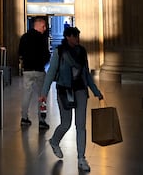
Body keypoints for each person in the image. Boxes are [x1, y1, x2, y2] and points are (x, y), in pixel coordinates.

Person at [39, 26, 103, 173]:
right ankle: (54, 141)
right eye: (74, 36)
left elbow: (86, 74)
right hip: (64, 90)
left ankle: (81, 158)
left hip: (80, 90)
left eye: (78, 36)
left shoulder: (82, 51)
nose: (77, 39)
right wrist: (44, 92)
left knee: (80, 125)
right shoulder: (59, 52)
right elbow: (51, 73)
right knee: (66, 123)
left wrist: (95, 91)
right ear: (68, 37)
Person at [18, 16, 51, 129]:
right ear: (38, 25)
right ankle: (41, 120)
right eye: (43, 26)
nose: (45, 28)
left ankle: (24, 118)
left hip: (27, 70)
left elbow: (20, 52)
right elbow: (47, 55)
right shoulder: (42, 39)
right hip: (39, 70)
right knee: (42, 96)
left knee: (26, 95)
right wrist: (43, 62)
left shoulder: (24, 37)